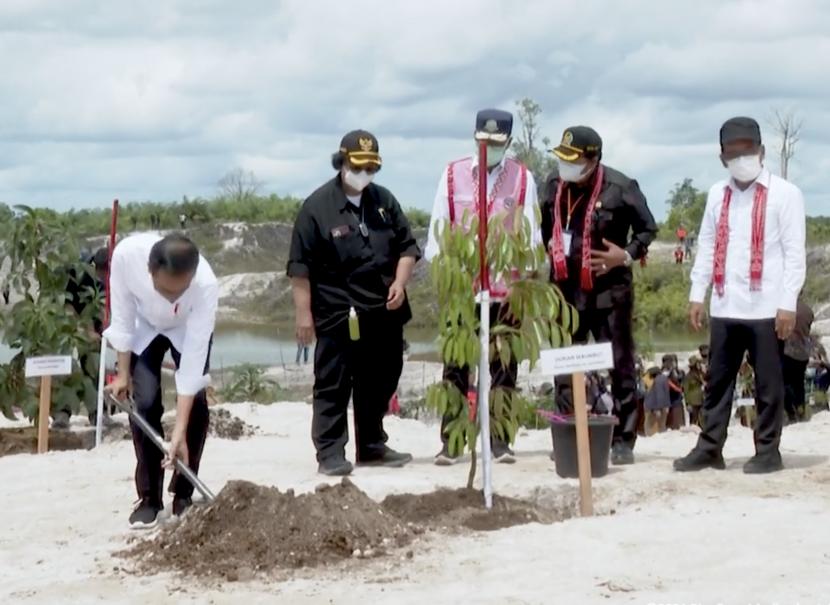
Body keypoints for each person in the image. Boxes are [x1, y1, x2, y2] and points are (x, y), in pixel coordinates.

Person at [674, 117, 806, 474]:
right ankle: (710, 447)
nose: (742, 157)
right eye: (733, 153)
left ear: (761, 151)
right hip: (725, 303)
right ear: (722, 158)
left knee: (768, 383)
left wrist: (787, 303)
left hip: (767, 307)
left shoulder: (786, 194)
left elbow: (795, 253)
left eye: (748, 150)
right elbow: (705, 243)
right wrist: (696, 294)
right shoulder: (719, 193)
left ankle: (767, 450)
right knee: (717, 382)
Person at [287, 129, 421, 476]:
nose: (364, 174)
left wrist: (401, 282)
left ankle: (372, 444)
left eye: (371, 168)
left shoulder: (384, 201)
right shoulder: (317, 208)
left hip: (384, 310)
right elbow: (300, 268)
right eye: (358, 166)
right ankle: (331, 452)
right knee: (334, 382)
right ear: (342, 162)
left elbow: (408, 248)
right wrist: (304, 315)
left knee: (381, 377)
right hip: (337, 311)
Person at [425, 108, 540, 466]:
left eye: (497, 142)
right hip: (463, 290)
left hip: (506, 290)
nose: (489, 147)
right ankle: (452, 442)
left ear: (508, 142)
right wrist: (446, 276)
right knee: (456, 365)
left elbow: (531, 234)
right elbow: (437, 232)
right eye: (483, 141)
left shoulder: (523, 179)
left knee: (504, 365)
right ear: (475, 137)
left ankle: (501, 440)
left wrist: (526, 282)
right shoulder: (451, 175)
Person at [541, 125, 658, 465]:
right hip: (564, 291)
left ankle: (623, 438)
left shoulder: (621, 187)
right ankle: (568, 431)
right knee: (564, 364)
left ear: (593, 159)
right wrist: (547, 242)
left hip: (610, 291)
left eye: (572, 159)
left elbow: (648, 229)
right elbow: (543, 224)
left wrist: (625, 254)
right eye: (562, 158)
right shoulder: (553, 185)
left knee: (619, 363)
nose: (565, 165)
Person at [104, 233, 218, 528]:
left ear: (192, 276)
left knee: (196, 408)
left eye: (178, 293)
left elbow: (191, 369)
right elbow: (123, 318)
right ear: (150, 270)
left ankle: (183, 494)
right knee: (145, 402)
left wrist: (178, 431)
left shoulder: (205, 285)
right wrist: (122, 374)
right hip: (145, 328)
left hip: (186, 330)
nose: (171, 299)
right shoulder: (127, 257)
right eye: (164, 291)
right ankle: (149, 500)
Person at [52, 247, 111, 429]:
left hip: (93, 328)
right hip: (68, 325)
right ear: (97, 267)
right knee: (65, 365)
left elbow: (103, 307)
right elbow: (67, 304)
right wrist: (84, 329)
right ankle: (62, 414)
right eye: (104, 274)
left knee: (94, 365)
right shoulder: (76, 272)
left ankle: (97, 413)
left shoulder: (111, 278)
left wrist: (106, 326)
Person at [782, 299, 814, 423]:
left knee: (784, 383)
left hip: (788, 350)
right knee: (799, 382)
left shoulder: (784, 308)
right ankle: (800, 410)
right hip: (803, 353)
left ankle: (791, 412)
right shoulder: (808, 310)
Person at [643, 367, 670, 436]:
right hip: (664, 405)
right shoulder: (664, 378)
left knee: (649, 425)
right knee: (662, 425)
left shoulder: (657, 381)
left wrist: (658, 409)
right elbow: (665, 393)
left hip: (655, 406)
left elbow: (659, 394)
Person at [684, 355, 706, 427]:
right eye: (697, 363)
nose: (699, 365)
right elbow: (686, 391)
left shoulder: (701, 374)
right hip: (693, 401)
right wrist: (687, 403)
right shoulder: (688, 376)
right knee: (693, 419)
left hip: (701, 399)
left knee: (702, 419)